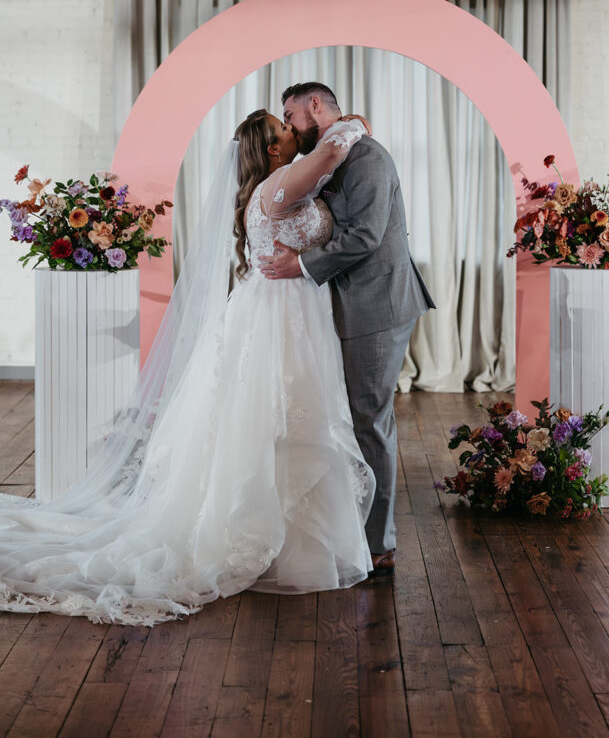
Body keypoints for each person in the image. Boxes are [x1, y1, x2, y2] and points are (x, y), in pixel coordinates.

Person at [0, 109, 377, 625]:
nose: (295, 132)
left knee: (287, 422)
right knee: (273, 418)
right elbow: (333, 152)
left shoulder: (279, 181)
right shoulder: (281, 184)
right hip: (278, 315)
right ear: (271, 148)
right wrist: (352, 121)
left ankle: (297, 537)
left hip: (288, 308)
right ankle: (267, 536)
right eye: (285, 127)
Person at [259, 83, 435, 578]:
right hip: (345, 301)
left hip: (376, 303)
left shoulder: (367, 159)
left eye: (292, 114)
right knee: (349, 416)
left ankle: (378, 543)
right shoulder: (337, 153)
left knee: (369, 419)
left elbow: (367, 235)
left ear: (316, 106)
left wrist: (302, 265)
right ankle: (347, 526)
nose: (290, 126)